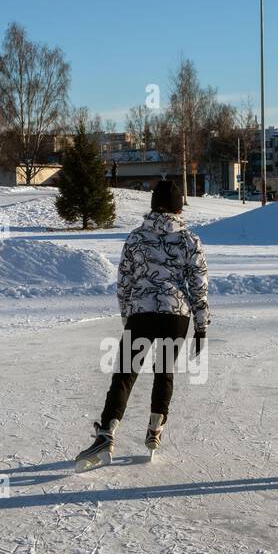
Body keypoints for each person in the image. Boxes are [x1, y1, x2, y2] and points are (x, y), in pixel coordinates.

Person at [74, 179, 210, 470]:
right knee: (165, 372)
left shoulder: (136, 237)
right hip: (176, 314)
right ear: (178, 208)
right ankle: (154, 428)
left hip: (142, 313)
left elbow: (124, 284)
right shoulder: (189, 240)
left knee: (125, 373)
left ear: (152, 207)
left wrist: (128, 317)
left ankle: (106, 433)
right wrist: (201, 326)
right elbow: (198, 287)